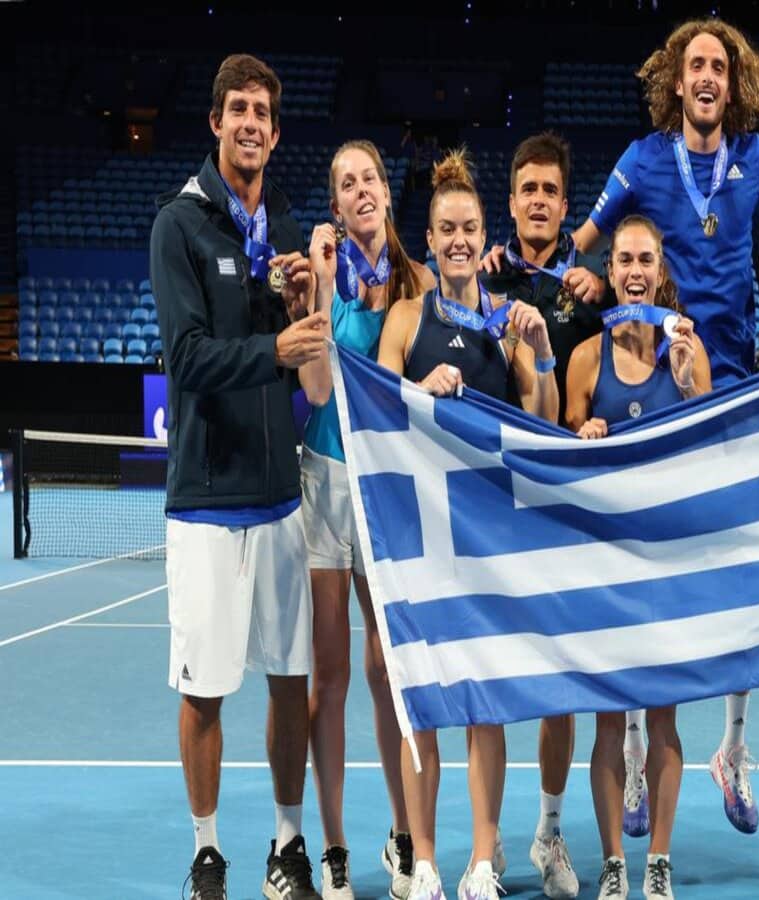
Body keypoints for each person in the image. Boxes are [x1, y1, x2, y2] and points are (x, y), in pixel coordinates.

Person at [571, 16, 759, 834]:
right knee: (644, 572)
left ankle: (734, 747)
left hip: (734, 384)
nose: (707, 76)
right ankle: (636, 752)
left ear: (732, 82)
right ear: (676, 81)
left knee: (740, 573)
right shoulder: (642, 159)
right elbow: (585, 244)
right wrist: (545, 269)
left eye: (719, 65)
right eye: (695, 65)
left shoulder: (756, 160)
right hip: (653, 386)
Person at [150, 53, 326, 900]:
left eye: (264, 112)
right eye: (239, 110)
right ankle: (208, 850)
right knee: (208, 688)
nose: (252, 123)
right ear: (216, 123)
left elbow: (301, 361)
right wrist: (276, 349)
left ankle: (288, 841)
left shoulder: (282, 222)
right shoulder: (178, 227)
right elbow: (185, 359)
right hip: (207, 500)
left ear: (275, 131)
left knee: (290, 681)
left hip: (280, 494)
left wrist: (295, 315)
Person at [375, 148, 559, 900]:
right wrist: (419, 388)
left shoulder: (507, 324)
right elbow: (377, 413)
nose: (457, 239)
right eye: (446, 227)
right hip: (420, 539)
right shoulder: (404, 318)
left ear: (483, 236)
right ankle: (423, 861)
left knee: (485, 702)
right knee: (424, 700)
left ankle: (485, 859)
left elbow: (543, 423)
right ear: (430, 237)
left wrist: (542, 355)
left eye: (469, 227)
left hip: (488, 540)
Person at [297, 139, 435, 900]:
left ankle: (405, 835)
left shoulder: (415, 282)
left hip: (390, 491)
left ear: (387, 191)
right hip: (325, 483)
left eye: (370, 177)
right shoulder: (327, 285)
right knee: (332, 675)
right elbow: (317, 392)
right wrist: (319, 286)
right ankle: (336, 849)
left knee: (392, 670)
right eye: (345, 182)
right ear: (337, 202)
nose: (361, 190)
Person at [478, 129, 611, 900]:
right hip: (500, 507)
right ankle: (487, 849)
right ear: (513, 200)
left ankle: (550, 832)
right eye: (525, 187)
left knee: (562, 687)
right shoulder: (488, 283)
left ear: (566, 204)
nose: (536, 200)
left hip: (568, 512)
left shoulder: (586, 295)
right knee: (496, 680)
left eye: (549, 190)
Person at [564, 214, 712, 900]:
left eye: (644, 259)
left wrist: (687, 384)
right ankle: (613, 865)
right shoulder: (586, 359)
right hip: (600, 562)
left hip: (664, 563)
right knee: (604, 721)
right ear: (611, 269)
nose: (632, 270)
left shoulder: (686, 343)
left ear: (660, 270)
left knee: (663, 718)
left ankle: (658, 861)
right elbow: (564, 446)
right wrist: (583, 431)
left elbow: (708, 438)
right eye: (622, 258)